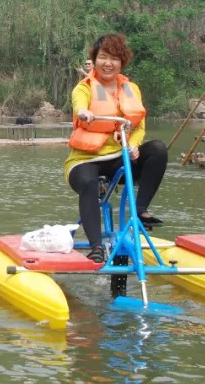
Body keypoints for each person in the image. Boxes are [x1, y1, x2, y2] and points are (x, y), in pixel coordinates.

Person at [65, 34, 168, 263]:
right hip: (85, 160)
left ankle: (140, 210)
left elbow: (139, 126)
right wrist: (85, 113)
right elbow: (79, 106)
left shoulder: (132, 89)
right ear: (95, 59)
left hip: (119, 159)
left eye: (113, 58)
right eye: (103, 57)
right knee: (90, 184)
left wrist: (134, 145)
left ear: (122, 62)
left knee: (158, 149)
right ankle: (96, 247)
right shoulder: (84, 89)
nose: (108, 63)